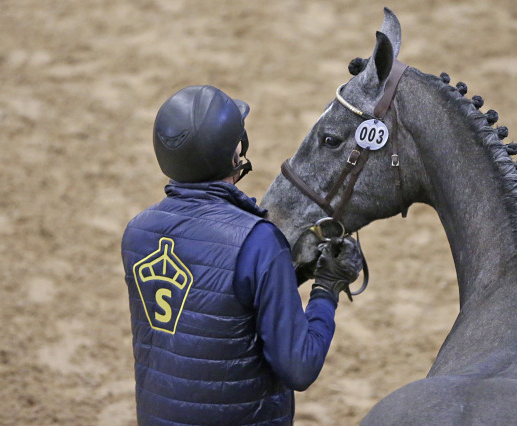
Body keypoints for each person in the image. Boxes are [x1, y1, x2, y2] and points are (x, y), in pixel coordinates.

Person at [121, 85, 363, 425]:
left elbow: (212, 308)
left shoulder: (137, 233)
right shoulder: (258, 241)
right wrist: (327, 287)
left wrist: (288, 275)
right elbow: (300, 367)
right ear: (234, 156)